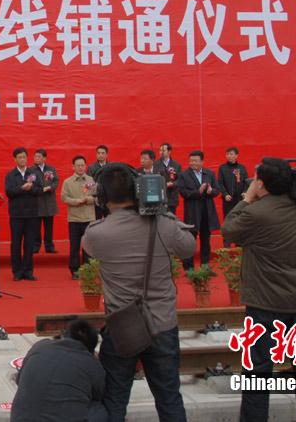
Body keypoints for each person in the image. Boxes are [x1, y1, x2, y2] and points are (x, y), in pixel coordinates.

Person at [83, 163, 195, 422]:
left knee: (114, 399)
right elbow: (188, 248)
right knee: (169, 398)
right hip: (163, 324)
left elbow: (90, 248)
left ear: (102, 197)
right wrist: (162, 212)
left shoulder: (96, 234)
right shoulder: (163, 225)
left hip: (122, 327)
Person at [221, 157, 296, 422]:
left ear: (261, 184)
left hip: (265, 306)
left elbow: (229, 230)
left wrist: (247, 199)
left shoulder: (256, 213)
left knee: (257, 373)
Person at [11, 319, 107, 422]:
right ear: (91, 348)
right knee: (99, 409)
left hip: (20, 419)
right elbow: (98, 395)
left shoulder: (40, 347)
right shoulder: (91, 362)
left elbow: (19, 380)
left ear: (65, 335)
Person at [178, 150, 221, 270]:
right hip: (192, 212)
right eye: (191, 161)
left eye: (196, 161)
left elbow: (218, 190)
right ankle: (189, 268)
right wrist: (198, 192)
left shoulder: (209, 173)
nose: (193, 163)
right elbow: (183, 192)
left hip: (207, 211)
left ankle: (205, 266)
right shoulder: (184, 175)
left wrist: (211, 191)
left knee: (205, 240)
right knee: (190, 241)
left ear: (202, 161)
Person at [4, 147, 42, 281]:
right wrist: (21, 188)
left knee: (29, 244)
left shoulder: (33, 173)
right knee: (16, 244)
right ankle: (17, 272)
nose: (22, 159)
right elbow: (9, 192)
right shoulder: (11, 175)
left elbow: (39, 190)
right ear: (15, 159)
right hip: (16, 215)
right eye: (19, 157)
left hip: (31, 214)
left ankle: (28, 271)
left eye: (24, 157)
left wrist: (30, 188)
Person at [61, 155, 97, 279]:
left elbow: (96, 197)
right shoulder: (68, 182)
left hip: (88, 217)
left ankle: (88, 270)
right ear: (73, 167)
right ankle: (75, 270)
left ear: (85, 166)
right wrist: (77, 202)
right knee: (74, 246)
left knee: (88, 246)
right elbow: (64, 198)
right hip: (74, 218)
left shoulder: (91, 180)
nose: (80, 167)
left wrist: (88, 199)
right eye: (78, 165)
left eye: (82, 165)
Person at [217, 147, 248, 246]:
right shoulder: (223, 168)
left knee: (240, 220)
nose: (229, 156)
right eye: (227, 154)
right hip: (228, 199)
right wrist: (225, 194)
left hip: (239, 199)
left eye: (231, 154)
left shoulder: (241, 168)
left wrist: (245, 192)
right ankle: (227, 243)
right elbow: (220, 183)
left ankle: (239, 242)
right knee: (228, 220)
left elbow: (246, 182)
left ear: (236, 155)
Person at [30, 149, 59, 254]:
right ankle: (36, 246)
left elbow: (56, 181)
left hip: (49, 202)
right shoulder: (32, 170)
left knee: (49, 227)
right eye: (35, 156)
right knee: (36, 227)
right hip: (37, 202)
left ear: (44, 158)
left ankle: (49, 246)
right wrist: (39, 189)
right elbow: (30, 184)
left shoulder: (50, 169)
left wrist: (50, 188)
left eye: (39, 156)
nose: (36, 158)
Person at [158, 143, 182, 217]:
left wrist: (173, 184)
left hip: (172, 196)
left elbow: (180, 179)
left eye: (163, 150)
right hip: (160, 196)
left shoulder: (176, 165)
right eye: (160, 150)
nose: (161, 152)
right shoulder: (156, 164)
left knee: (171, 217)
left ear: (169, 151)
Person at [89, 145, 110, 219]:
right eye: (99, 153)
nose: (100, 155)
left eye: (102, 153)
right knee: (97, 221)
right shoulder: (91, 168)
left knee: (109, 221)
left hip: (108, 201)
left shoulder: (110, 167)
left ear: (107, 154)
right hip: (96, 200)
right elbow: (89, 184)